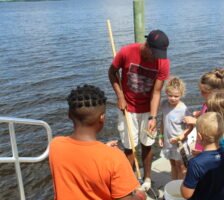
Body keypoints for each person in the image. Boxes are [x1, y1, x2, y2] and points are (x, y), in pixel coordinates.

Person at [48, 84, 146, 200]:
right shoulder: (115, 157)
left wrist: (104, 149)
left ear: (69, 116)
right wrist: (140, 196)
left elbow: (82, 158)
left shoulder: (55, 145)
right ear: (102, 117)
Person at [108, 30, 170, 189]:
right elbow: (112, 73)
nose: (156, 57)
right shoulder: (126, 52)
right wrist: (120, 96)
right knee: (129, 147)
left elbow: (156, 92)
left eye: (160, 54)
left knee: (147, 145)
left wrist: (153, 118)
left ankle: (147, 180)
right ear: (147, 45)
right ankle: (130, 182)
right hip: (127, 108)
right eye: (154, 53)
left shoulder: (163, 62)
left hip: (148, 109)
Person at [180, 112, 224, 200]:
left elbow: (186, 194)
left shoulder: (195, 163)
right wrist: (201, 155)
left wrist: (185, 174)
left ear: (200, 136)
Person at [158, 77, 193, 180]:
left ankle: (182, 187)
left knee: (182, 167)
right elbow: (163, 121)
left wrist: (181, 136)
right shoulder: (164, 104)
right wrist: (160, 136)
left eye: (176, 96)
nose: (172, 98)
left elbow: (191, 126)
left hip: (179, 144)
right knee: (172, 164)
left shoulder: (183, 109)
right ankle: (173, 184)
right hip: (168, 142)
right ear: (166, 93)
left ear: (181, 94)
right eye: (170, 95)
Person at [183, 68, 224, 154]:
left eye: (204, 92)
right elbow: (208, 115)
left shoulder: (216, 106)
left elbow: (216, 126)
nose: (201, 94)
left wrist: (195, 121)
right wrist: (200, 113)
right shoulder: (208, 103)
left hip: (209, 145)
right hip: (202, 140)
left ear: (214, 92)